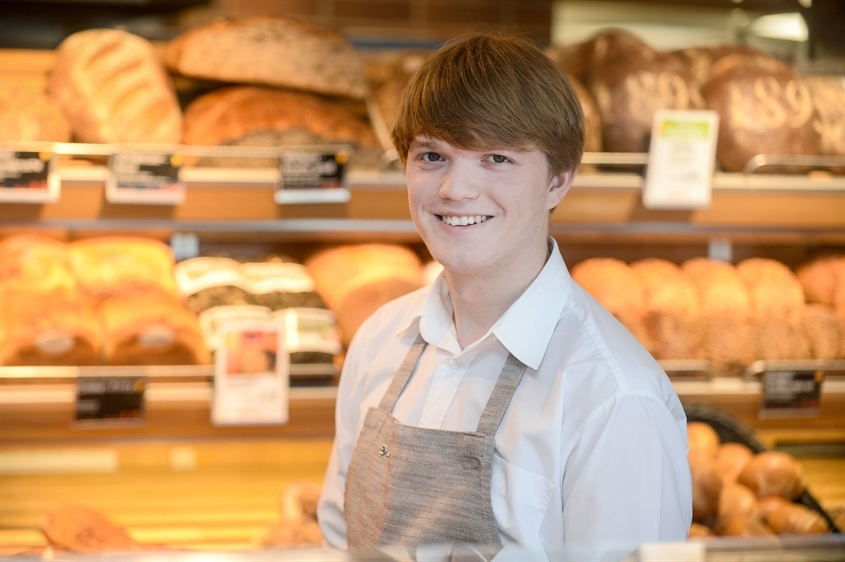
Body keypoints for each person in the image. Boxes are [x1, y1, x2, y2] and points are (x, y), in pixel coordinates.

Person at [317, 32, 692, 551]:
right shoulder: (379, 339)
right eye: (431, 156)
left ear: (559, 180)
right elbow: (339, 540)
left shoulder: (614, 397)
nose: (454, 189)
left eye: (495, 158)